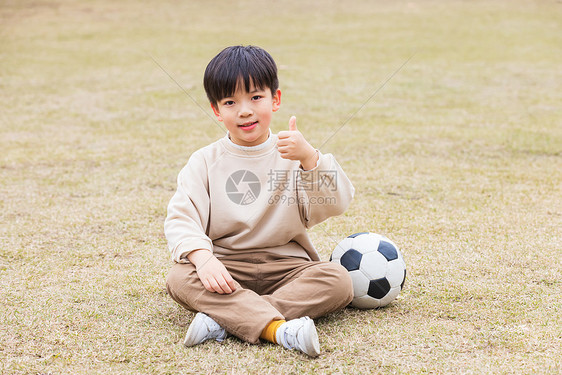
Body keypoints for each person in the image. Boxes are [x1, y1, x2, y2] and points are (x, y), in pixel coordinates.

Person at [164, 45, 355, 357]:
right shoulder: (204, 161)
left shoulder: (294, 154)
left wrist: (310, 157)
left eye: (255, 97)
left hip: (287, 268)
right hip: (225, 268)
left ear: (275, 99)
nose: (244, 110)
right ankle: (278, 329)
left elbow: (337, 202)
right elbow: (181, 218)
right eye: (230, 102)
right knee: (179, 277)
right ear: (216, 110)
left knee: (338, 280)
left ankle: (226, 320)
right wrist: (204, 258)